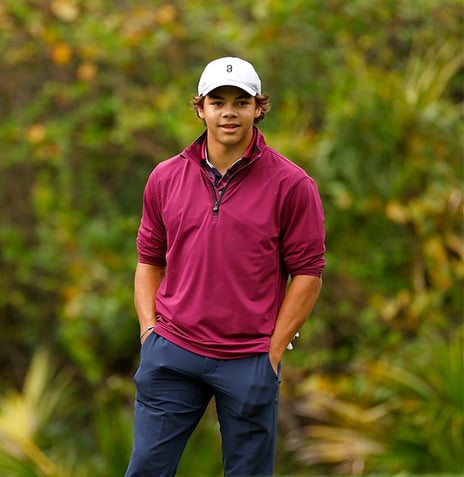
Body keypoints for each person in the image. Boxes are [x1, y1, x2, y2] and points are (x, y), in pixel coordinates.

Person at [124, 57, 325, 477]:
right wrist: (149, 332)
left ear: (258, 108)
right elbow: (148, 261)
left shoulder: (292, 185)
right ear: (200, 109)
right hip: (173, 352)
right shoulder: (165, 177)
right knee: (145, 470)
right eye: (218, 102)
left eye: (241, 101)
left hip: (248, 359)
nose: (229, 112)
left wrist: (271, 352)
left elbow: (308, 274)